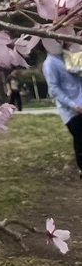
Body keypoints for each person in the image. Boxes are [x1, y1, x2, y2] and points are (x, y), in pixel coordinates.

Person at [42, 42, 82, 177]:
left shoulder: (68, 57)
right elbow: (53, 89)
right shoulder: (50, 64)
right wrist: (72, 105)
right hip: (73, 111)